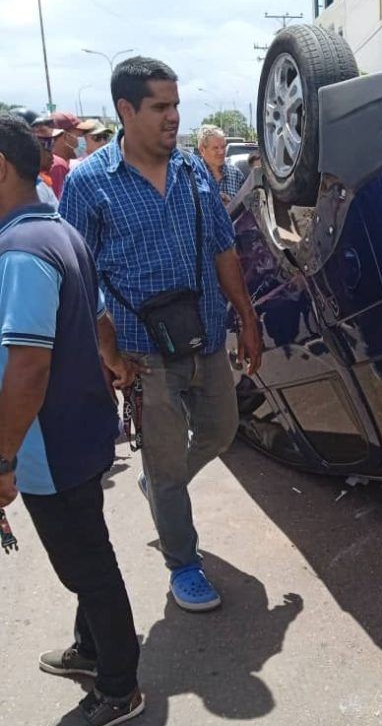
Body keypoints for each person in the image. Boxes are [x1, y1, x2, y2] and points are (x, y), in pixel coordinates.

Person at [60, 56, 262, 613]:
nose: (174, 117)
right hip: (142, 351)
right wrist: (107, 349)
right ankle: (184, 563)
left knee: (222, 431)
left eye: (176, 105)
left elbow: (223, 247)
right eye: (161, 107)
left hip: (202, 336)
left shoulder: (195, 171)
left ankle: (161, 485)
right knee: (168, 465)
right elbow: (80, 276)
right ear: (126, 110)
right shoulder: (88, 184)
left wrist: (246, 316)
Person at [0, 114, 143, 726]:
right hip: (80, 432)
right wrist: (114, 362)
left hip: (49, 446)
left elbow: (27, 369)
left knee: (87, 566)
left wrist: (3, 464)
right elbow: (99, 317)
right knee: (88, 552)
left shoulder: (21, 252)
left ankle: (119, 687)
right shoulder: (57, 232)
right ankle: (92, 651)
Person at [33, 112, 85, 197]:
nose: (83, 140)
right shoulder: (58, 165)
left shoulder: (61, 163)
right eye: (80, 135)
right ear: (65, 136)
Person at [197, 124, 244, 205]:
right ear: (202, 150)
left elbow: (247, 208)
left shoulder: (236, 174)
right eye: (215, 148)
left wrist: (232, 204)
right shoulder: (194, 176)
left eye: (223, 147)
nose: (221, 152)